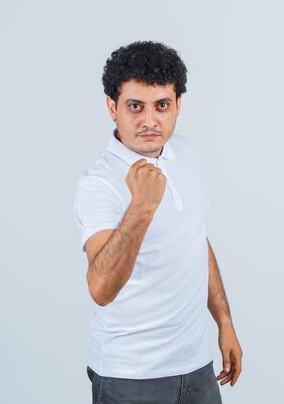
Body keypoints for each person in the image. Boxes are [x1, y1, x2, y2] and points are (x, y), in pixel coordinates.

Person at [73, 40, 242, 404]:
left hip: (197, 368)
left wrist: (224, 321)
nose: (150, 120)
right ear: (112, 107)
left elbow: (195, 239)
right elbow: (101, 288)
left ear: (178, 105)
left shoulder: (184, 152)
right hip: (131, 377)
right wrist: (141, 209)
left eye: (161, 105)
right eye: (135, 106)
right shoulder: (98, 183)